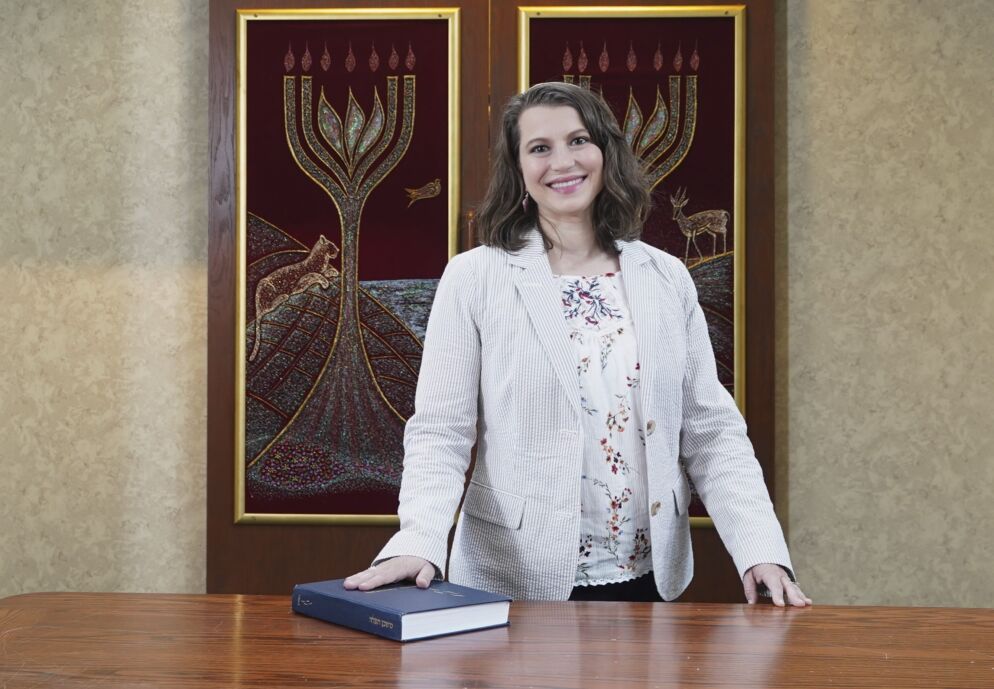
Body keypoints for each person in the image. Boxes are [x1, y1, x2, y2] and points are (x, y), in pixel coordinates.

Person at [345, 82, 811, 607]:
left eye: (578, 140)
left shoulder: (666, 277)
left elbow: (711, 429)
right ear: (518, 169)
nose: (562, 162)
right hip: (515, 577)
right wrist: (419, 540)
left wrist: (759, 550)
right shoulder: (474, 278)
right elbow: (441, 431)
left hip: (651, 576)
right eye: (539, 148)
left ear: (605, 152)